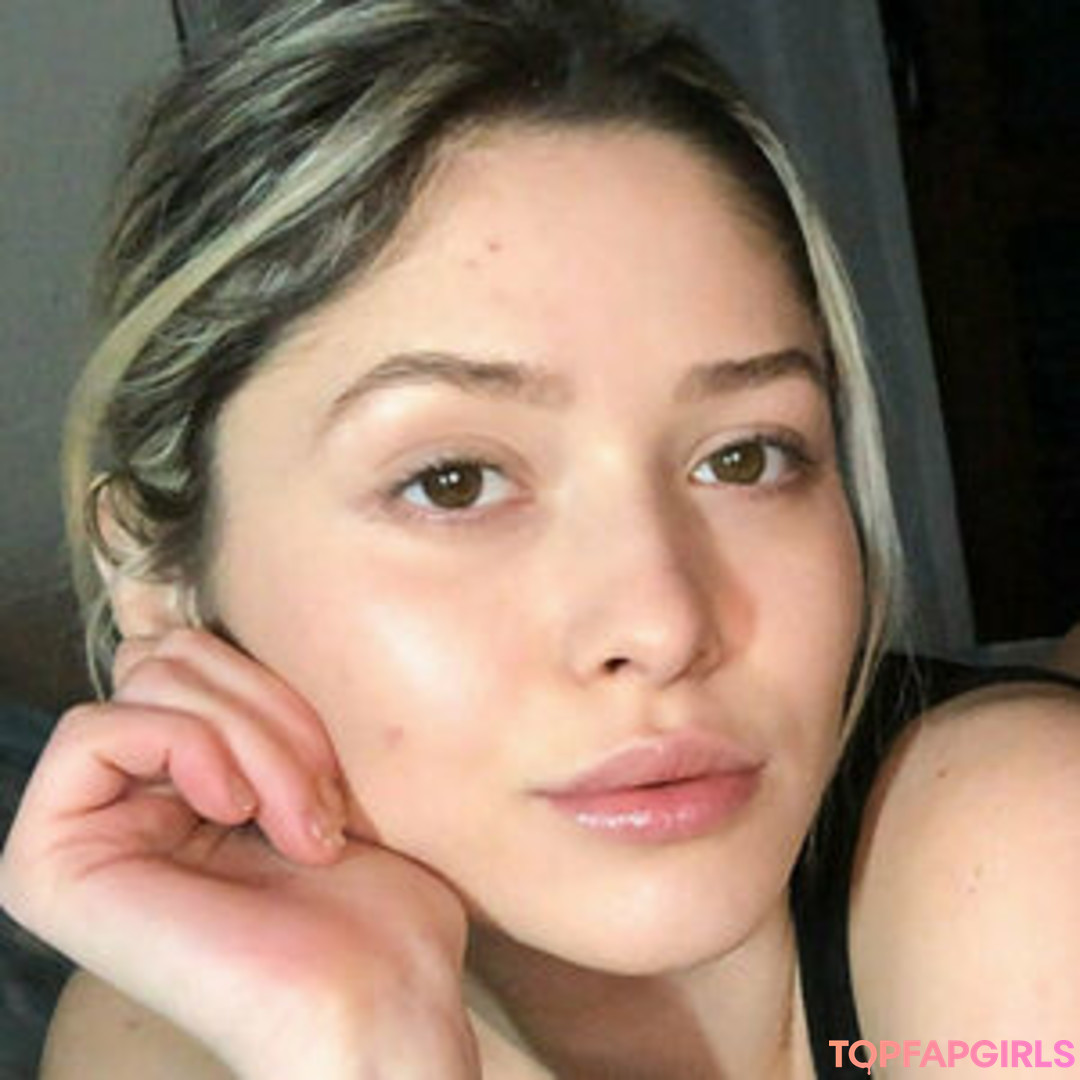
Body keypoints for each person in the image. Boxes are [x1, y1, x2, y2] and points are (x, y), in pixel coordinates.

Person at [2, 1, 1078, 1076]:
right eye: (455, 482)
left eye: (745, 458)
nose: (662, 625)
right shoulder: (161, 1034)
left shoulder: (1024, 847)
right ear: (156, 576)